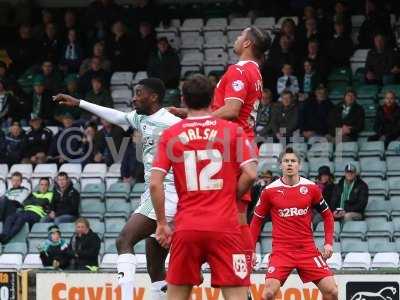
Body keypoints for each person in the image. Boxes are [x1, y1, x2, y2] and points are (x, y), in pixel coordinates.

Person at [53, 78, 181, 300]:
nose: (133, 97)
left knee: (124, 240)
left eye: (139, 93)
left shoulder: (172, 123)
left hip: (166, 193)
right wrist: (80, 102)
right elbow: (117, 116)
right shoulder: (141, 118)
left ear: (154, 97)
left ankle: (126, 297)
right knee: (155, 265)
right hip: (155, 194)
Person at [150, 74, 257, 300]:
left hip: (187, 227)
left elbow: (155, 183)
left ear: (183, 100)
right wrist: (230, 196)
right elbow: (250, 173)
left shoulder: (170, 134)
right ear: (212, 99)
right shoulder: (232, 130)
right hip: (225, 226)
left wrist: (161, 223)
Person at [250, 147, 337, 300]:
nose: (289, 164)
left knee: (332, 291)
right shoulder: (269, 191)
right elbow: (256, 221)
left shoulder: (311, 188)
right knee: (268, 293)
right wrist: (250, 250)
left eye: (293, 161)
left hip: (307, 250)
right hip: (282, 251)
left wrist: (328, 243)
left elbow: (328, 215)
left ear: (299, 165)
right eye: (286, 161)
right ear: (280, 165)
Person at [0, 177, 53, 244]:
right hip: (25, 211)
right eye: (42, 184)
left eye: (46, 185)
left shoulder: (50, 194)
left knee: (21, 218)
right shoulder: (33, 193)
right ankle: (4, 235)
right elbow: (25, 202)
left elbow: (43, 202)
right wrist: (36, 201)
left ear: (48, 186)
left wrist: (33, 200)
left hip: (37, 214)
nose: (43, 187)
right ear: (39, 185)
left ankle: (8, 238)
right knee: (10, 217)